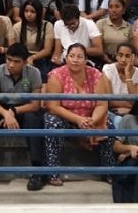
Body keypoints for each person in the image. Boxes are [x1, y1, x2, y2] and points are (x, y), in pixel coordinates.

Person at [43, 43, 114, 186]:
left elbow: (102, 104)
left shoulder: (95, 74)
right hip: (66, 118)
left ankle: (109, 171)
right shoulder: (56, 75)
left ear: (86, 59)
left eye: (79, 57)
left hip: (90, 118)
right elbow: (53, 106)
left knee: (109, 126)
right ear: (66, 58)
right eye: (72, 56)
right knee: (51, 122)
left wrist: (91, 121)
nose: (75, 60)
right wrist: (78, 120)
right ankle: (53, 173)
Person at [0, 42, 46, 191]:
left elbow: (35, 105)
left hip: (24, 109)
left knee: (34, 120)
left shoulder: (34, 73)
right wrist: (6, 113)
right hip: (2, 109)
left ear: (25, 62)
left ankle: (37, 171)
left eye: (16, 61)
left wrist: (14, 111)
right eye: (8, 60)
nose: (11, 65)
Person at [102, 43, 138, 126]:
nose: (123, 59)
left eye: (127, 56)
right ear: (116, 56)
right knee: (119, 122)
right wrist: (129, 104)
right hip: (111, 112)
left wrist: (127, 74)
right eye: (120, 55)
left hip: (132, 114)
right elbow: (110, 101)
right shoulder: (107, 69)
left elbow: (135, 101)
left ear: (134, 58)